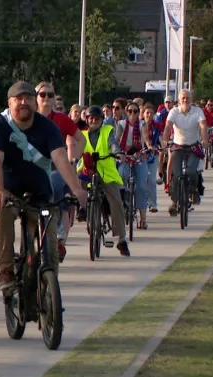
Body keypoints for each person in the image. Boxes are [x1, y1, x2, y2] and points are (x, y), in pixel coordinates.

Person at [0, 81, 87, 291]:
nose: (24, 103)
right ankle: (6, 270)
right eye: (18, 99)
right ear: (10, 102)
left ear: (35, 102)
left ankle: (49, 292)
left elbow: (60, 158)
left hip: (40, 193)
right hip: (8, 192)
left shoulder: (47, 127)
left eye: (28, 98)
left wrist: (76, 189)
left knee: (49, 245)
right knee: (1, 214)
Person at [36, 81, 86, 262]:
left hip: (58, 167)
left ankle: (60, 237)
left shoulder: (62, 120)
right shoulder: (28, 117)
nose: (47, 98)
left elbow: (80, 139)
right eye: (43, 95)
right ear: (36, 97)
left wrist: (74, 159)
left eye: (50, 95)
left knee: (58, 193)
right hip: (34, 169)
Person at [77, 106, 131, 256]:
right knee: (76, 184)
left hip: (106, 173)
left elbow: (113, 143)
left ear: (102, 120)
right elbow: (75, 149)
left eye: (97, 118)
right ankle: (82, 209)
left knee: (116, 200)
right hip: (87, 171)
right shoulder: (81, 135)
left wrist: (117, 152)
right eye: (91, 118)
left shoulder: (108, 131)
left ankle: (121, 239)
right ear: (87, 120)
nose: (94, 120)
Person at [162, 89, 209, 215]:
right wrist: (165, 139)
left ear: (191, 100)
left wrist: (204, 139)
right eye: (183, 98)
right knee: (176, 174)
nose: (185, 100)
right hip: (178, 146)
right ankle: (175, 201)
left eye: (187, 98)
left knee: (191, 171)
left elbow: (203, 126)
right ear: (179, 100)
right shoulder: (174, 112)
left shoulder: (197, 111)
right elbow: (167, 126)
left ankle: (193, 190)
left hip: (193, 147)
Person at [115, 102, 149, 229]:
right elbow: (117, 138)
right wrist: (115, 150)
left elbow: (145, 138)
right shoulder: (121, 124)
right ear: (126, 112)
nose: (133, 114)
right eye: (130, 111)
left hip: (139, 155)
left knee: (140, 186)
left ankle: (143, 219)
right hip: (125, 156)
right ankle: (124, 207)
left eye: (135, 111)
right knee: (122, 176)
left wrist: (149, 146)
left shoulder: (142, 124)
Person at [141, 103, 162, 212]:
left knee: (151, 180)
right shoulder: (139, 125)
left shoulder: (156, 126)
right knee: (141, 180)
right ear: (143, 114)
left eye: (151, 113)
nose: (149, 115)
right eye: (147, 113)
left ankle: (153, 204)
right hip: (140, 155)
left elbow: (161, 139)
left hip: (153, 155)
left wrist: (161, 147)